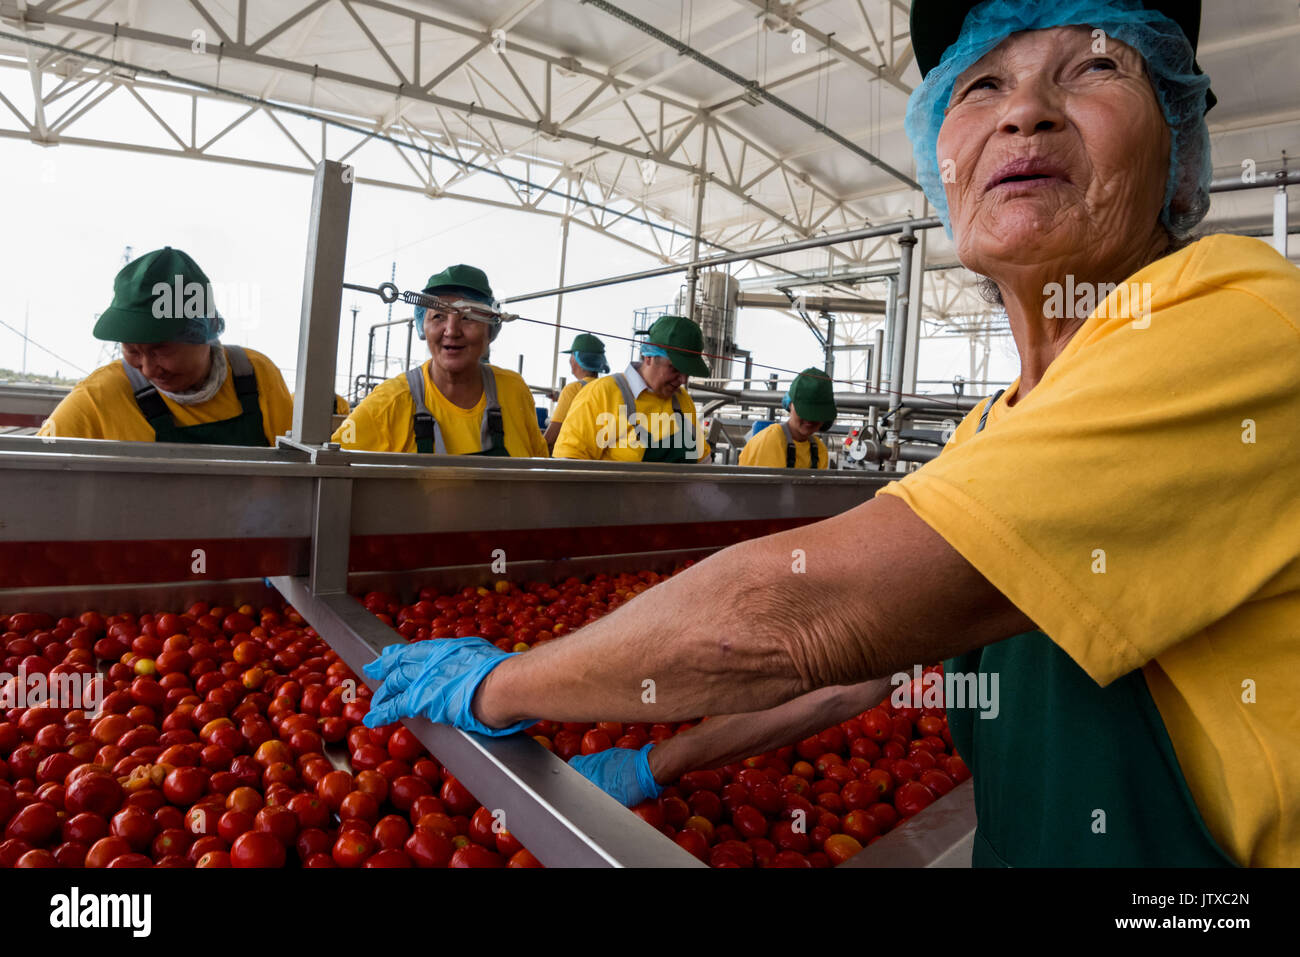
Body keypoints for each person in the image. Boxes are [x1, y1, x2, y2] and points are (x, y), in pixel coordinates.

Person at [359, 0, 1300, 867]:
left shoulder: (1239, 322)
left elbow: (799, 615)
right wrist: (660, 762)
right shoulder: (989, 431)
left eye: (1094, 70)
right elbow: (853, 674)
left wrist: (503, 687)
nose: (1026, 115)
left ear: (1178, 146)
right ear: (942, 151)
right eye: (983, 85)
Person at [38, 247, 293, 446]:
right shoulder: (99, 397)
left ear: (204, 331)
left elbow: (294, 475)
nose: (147, 369)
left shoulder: (255, 375)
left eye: (161, 349)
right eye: (133, 351)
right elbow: (35, 476)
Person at [331, 265, 547, 457]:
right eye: (438, 316)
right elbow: (332, 468)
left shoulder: (513, 391)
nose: (452, 331)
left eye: (468, 317)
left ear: (490, 330)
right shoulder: (389, 402)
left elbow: (539, 478)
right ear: (422, 326)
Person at [551, 315, 712, 463]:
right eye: (675, 368)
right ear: (649, 357)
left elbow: (702, 461)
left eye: (687, 372)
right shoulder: (602, 394)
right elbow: (569, 464)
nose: (683, 380)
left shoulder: (682, 400)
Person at [738, 368, 835, 469]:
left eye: (817, 414)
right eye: (805, 412)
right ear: (790, 404)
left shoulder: (819, 449)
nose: (810, 419)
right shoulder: (771, 441)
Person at [543, 333, 609, 451]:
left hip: (574, 458)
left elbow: (551, 437)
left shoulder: (572, 389)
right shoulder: (607, 389)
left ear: (576, 359)